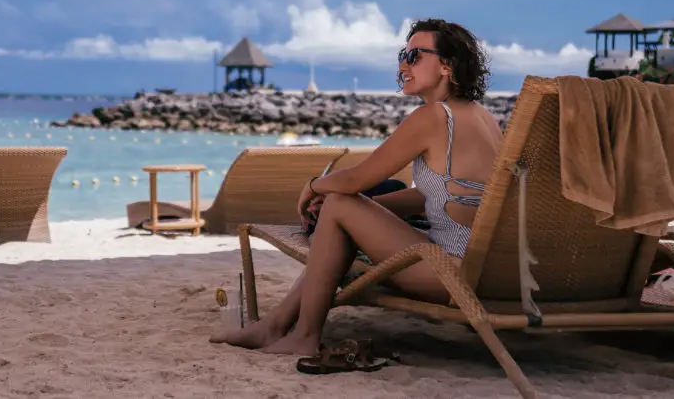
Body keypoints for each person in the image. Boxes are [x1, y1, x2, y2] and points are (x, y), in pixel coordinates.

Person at [211, 18, 502, 356]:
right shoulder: (483, 118)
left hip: (453, 273)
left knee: (337, 202)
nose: (402, 65)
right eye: (402, 55)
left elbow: (353, 179)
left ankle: (304, 334)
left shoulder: (434, 118)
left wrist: (314, 185)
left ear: (448, 66)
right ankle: (274, 326)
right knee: (344, 211)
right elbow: (438, 197)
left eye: (415, 56)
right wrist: (369, 213)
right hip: (483, 268)